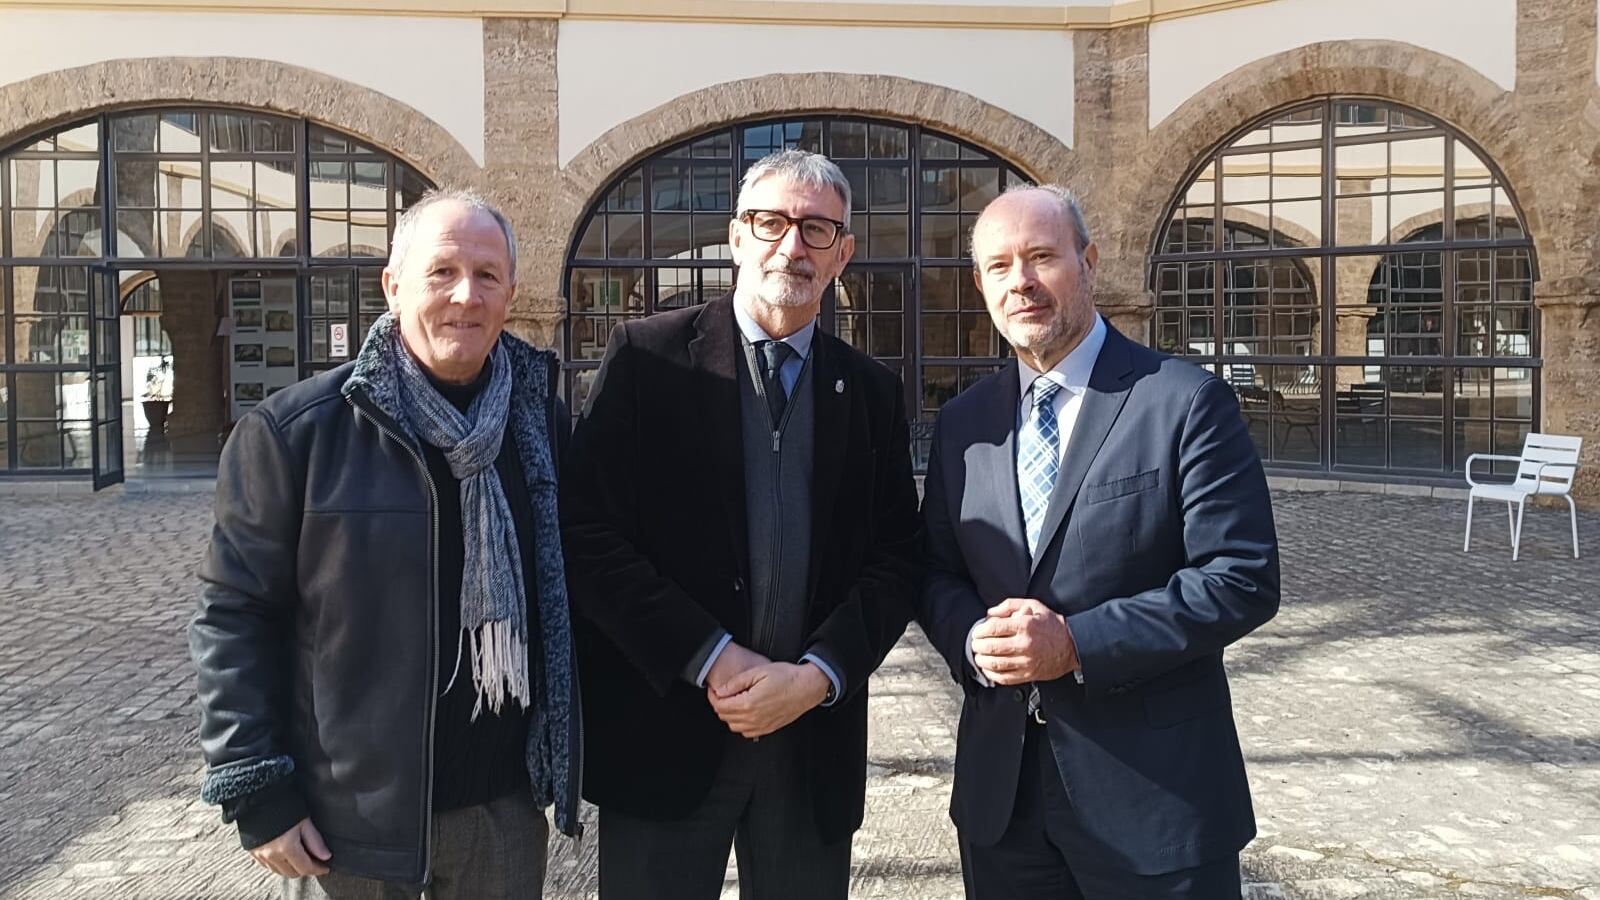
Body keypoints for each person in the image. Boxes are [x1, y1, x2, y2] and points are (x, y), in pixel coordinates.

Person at [190, 189, 579, 899]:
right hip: (349, 824)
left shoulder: (538, 427)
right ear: (393, 286)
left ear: (511, 294)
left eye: (487, 276)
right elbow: (234, 616)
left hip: (502, 812)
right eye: (442, 272)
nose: (466, 295)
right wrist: (258, 792)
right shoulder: (295, 435)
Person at [560, 149, 922, 900]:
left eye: (817, 229)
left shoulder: (874, 394)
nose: (791, 246)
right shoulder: (648, 359)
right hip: (668, 735)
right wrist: (709, 655)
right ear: (735, 237)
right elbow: (587, 535)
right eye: (771, 222)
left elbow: (898, 560)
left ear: (843, 253)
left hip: (809, 747)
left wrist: (820, 675)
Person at [917, 184, 1280, 899]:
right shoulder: (965, 422)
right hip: (1003, 801)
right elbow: (933, 571)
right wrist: (972, 641)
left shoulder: (1182, 401)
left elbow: (1240, 577)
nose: (1020, 281)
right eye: (999, 266)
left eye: (1041, 256)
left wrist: (1077, 643)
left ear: (1088, 262)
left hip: (1155, 802)